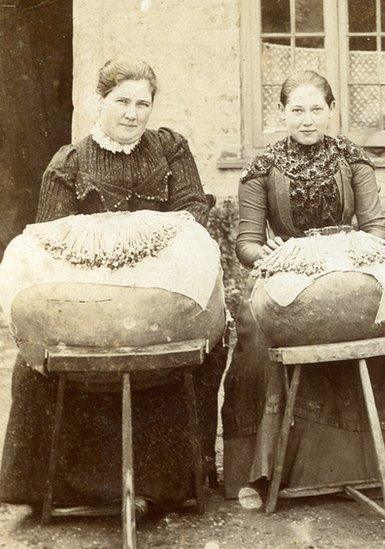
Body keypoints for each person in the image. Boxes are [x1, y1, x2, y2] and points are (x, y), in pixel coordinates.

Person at [0, 58, 226, 510]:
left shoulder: (170, 149)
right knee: (51, 356)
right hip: (94, 297)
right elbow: (51, 243)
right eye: (121, 101)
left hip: (156, 297)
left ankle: (168, 485)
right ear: (98, 101)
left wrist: (146, 246)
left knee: (204, 338)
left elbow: (193, 215)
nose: (132, 113)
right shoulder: (70, 162)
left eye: (143, 103)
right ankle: (76, 484)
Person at [221, 70, 385, 506]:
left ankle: (382, 464)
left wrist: (351, 255)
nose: (307, 119)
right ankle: (258, 474)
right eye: (297, 110)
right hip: (286, 270)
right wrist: (270, 257)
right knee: (257, 337)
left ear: (332, 111)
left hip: (348, 263)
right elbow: (246, 242)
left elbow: (375, 227)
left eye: (317, 109)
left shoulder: (354, 160)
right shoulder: (262, 168)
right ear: (281, 113)